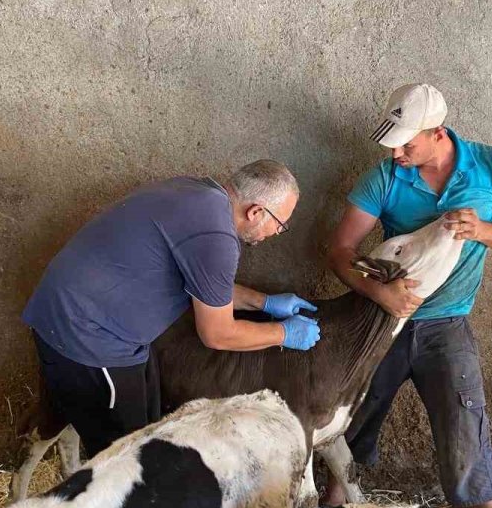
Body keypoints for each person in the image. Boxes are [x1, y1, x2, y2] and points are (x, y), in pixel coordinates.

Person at [326, 84, 492, 508]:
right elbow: (341, 249)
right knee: (348, 420)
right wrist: (380, 292)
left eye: (407, 146)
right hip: (382, 320)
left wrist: (484, 229)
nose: (396, 155)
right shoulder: (384, 176)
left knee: (466, 423)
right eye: (393, 146)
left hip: (448, 324)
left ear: (438, 133)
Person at [23, 160, 319, 457]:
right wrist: (282, 333)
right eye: (280, 225)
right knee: (125, 460)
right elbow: (218, 333)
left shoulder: (199, 192)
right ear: (256, 212)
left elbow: (207, 287)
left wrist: (264, 302)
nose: (276, 233)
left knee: (146, 425)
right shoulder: (216, 238)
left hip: (88, 314)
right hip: (87, 334)